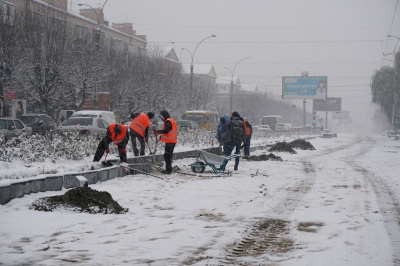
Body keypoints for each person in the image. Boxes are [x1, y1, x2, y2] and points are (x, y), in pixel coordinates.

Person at [154, 110, 177, 174]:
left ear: (164, 116)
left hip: (170, 142)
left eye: (162, 117)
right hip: (171, 141)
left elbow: (166, 130)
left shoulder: (168, 121)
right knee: (168, 156)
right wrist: (161, 137)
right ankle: (169, 169)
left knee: (167, 156)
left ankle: (168, 170)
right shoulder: (171, 120)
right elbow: (169, 132)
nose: (161, 119)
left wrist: (158, 131)